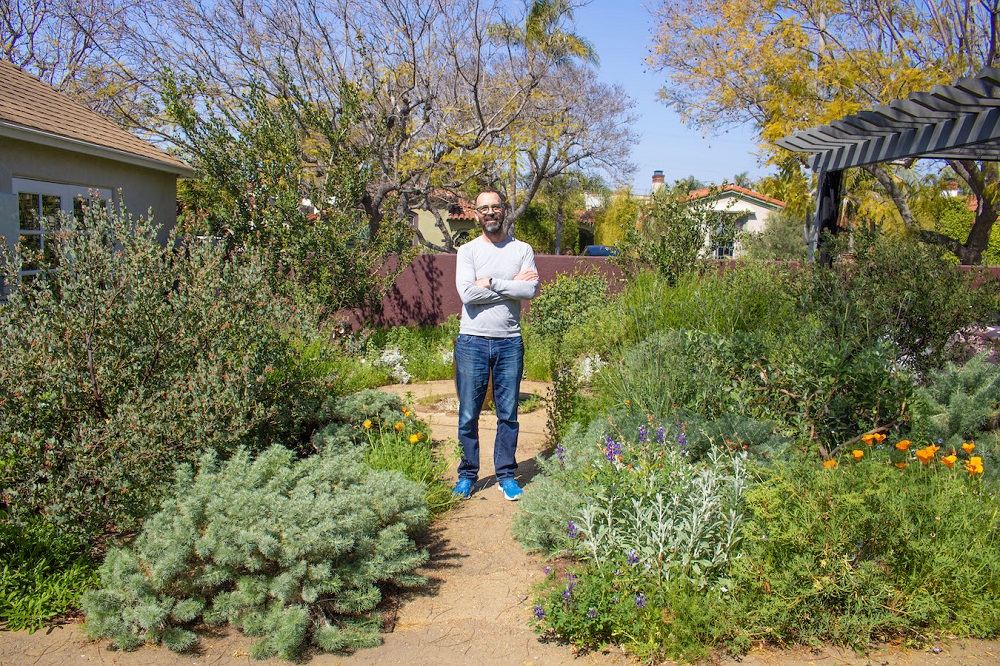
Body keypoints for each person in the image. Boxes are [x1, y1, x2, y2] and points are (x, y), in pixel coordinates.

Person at [453, 189, 539, 501]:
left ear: (504, 211)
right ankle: (467, 474)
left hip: (509, 343)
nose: (490, 212)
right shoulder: (467, 252)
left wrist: (490, 283)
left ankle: (506, 474)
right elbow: (466, 294)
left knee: (508, 413)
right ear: (476, 215)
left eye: (495, 207)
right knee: (468, 414)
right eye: (484, 208)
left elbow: (529, 290)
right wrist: (511, 286)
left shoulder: (522, 249)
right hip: (472, 341)